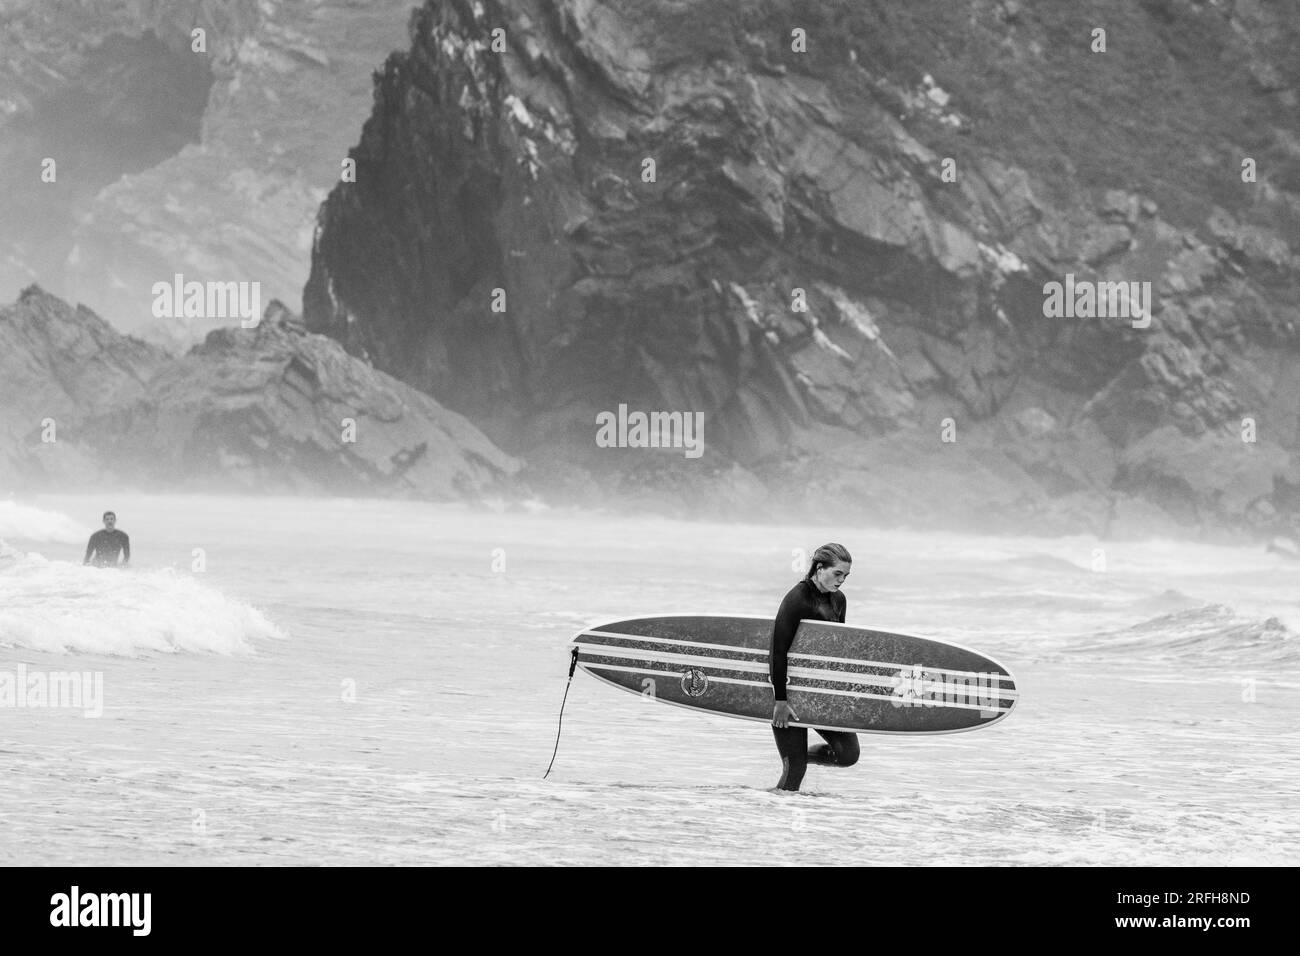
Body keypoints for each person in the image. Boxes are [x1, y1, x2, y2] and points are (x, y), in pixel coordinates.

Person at [769, 542, 859, 791]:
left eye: (845, 576)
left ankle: (799, 755)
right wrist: (780, 701)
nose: (841, 580)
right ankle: (775, 817)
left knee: (847, 754)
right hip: (789, 697)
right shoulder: (797, 599)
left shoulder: (839, 601)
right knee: (796, 770)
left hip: (820, 694)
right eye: (837, 573)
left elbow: (834, 651)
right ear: (820, 569)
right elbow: (778, 651)